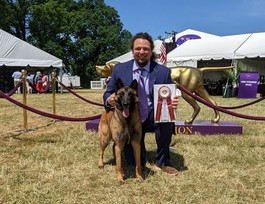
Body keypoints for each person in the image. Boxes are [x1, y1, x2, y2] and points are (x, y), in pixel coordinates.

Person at [103, 32, 180, 175]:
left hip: (152, 115)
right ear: (132, 51)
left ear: (151, 51)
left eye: (146, 49)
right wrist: (109, 99)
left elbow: (169, 93)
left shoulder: (163, 71)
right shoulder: (119, 69)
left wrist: (172, 101)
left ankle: (163, 161)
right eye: (138, 48)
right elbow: (107, 93)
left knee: (166, 118)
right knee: (133, 162)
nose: (142, 52)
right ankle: (138, 154)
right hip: (128, 117)